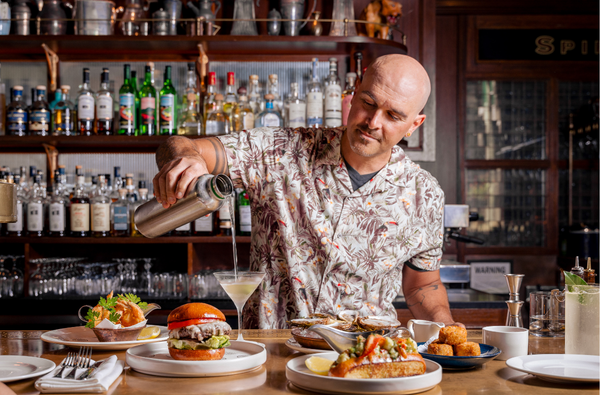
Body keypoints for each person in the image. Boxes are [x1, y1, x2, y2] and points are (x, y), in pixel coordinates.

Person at [153, 54, 463, 329]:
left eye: (393, 115)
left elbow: (422, 286)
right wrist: (187, 159)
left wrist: (447, 330)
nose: (373, 122)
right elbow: (183, 145)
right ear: (353, 96)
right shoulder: (279, 151)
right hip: (273, 354)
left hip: (368, 358)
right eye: (368, 103)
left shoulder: (426, 194)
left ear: (414, 124)